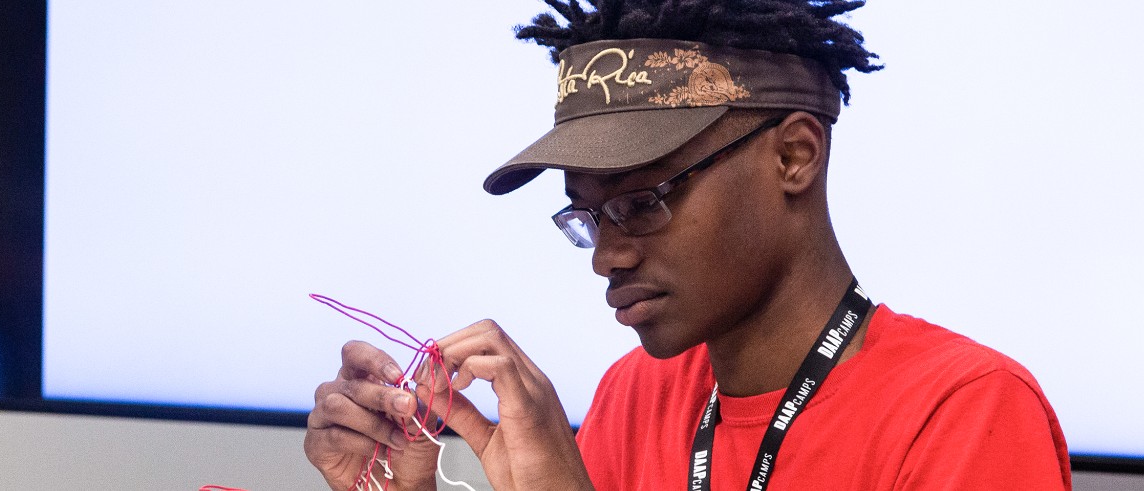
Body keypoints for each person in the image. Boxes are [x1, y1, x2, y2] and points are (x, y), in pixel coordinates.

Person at [304, 0, 1073, 489]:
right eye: (588, 217)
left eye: (642, 201)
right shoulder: (632, 396)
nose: (607, 255)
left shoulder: (963, 412)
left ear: (794, 156)